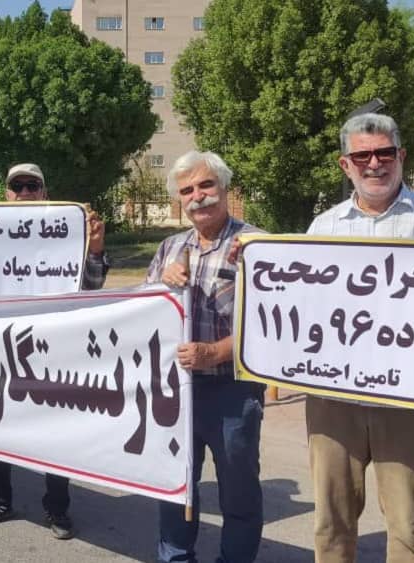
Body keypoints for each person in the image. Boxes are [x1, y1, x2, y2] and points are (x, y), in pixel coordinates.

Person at [305, 113, 414, 563]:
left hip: (410, 398)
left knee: (410, 526)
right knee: (331, 524)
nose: (374, 164)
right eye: (362, 155)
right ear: (346, 165)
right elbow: (299, 306)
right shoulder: (322, 227)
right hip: (333, 397)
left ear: (401, 156)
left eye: (384, 153)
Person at [0, 163, 108, 540]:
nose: (26, 192)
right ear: (6, 194)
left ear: (44, 192)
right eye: (18, 186)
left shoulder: (68, 231)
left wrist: (94, 249)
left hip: (50, 351)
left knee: (54, 432)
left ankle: (57, 507)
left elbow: (92, 285)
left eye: (33, 186)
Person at [147, 151, 265, 563]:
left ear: (225, 187)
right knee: (177, 485)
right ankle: (176, 556)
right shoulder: (168, 248)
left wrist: (214, 352)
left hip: (234, 392)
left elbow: (274, 325)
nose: (198, 196)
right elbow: (143, 316)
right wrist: (160, 285)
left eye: (205, 185)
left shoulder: (257, 245)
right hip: (177, 393)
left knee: (238, 492)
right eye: (187, 190)